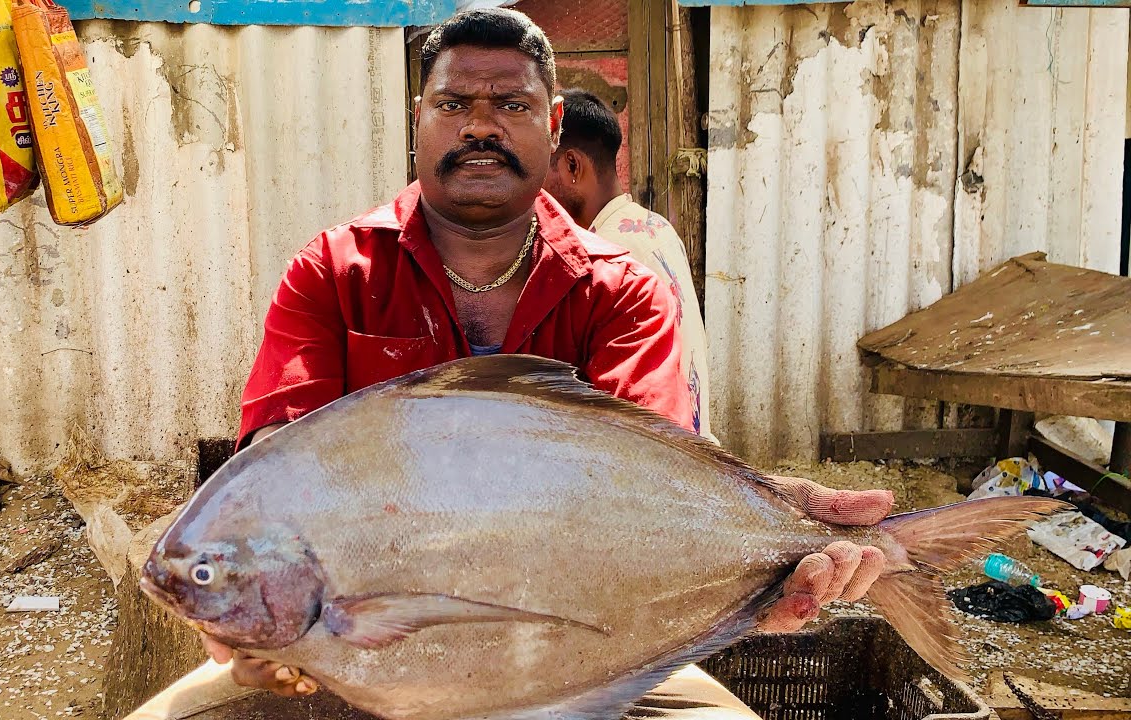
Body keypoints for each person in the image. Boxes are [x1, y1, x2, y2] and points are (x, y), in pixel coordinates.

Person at [125, 8, 892, 720]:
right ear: (417, 121)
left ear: (554, 125)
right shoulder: (333, 270)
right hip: (353, 661)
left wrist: (763, 543)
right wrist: (252, 619)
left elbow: (656, 482)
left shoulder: (623, 289)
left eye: (512, 106)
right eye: (454, 105)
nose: (480, 127)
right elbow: (273, 458)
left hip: (580, 655)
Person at [543, 89, 714, 444]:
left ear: (572, 166)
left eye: (541, 173)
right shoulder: (656, 226)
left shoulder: (604, 258)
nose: (535, 193)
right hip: (691, 442)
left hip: (657, 449)